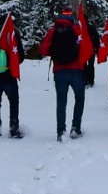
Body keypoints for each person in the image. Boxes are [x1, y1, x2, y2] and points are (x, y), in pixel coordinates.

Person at [38, 8, 88, 141]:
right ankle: (75, 128)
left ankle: (60, 130)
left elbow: (43, 49)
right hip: (76, 70)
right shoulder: (77, 29)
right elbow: (86, 47)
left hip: (59, 71)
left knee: (61, 101)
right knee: (79, 98)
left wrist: (54, 52)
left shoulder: (53, 31)